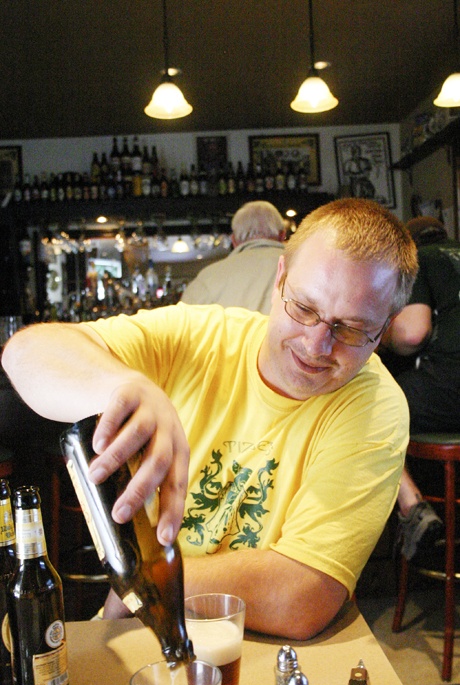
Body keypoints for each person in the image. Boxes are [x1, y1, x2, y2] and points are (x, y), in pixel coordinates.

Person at [2, 198, 418, 640]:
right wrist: (119, 384)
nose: (316, 345)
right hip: (148, 628)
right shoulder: (201, 336)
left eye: (350, 329)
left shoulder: (375, 407)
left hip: (262, 643)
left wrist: (138, 585)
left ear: (384, 328)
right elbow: (25, 354)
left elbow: (300, 598)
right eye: (304, 308)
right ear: (280, 279)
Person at [381, 216, 458, 562]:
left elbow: (413, 333)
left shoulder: (421, 259)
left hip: (451, 384)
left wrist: (379, 332)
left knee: (370, 409)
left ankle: (412, 508)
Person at [181, 200, 285, 314]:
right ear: (282, 235)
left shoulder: (207, 278)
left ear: (234, 241)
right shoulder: (301, 268)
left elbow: (181, 326)